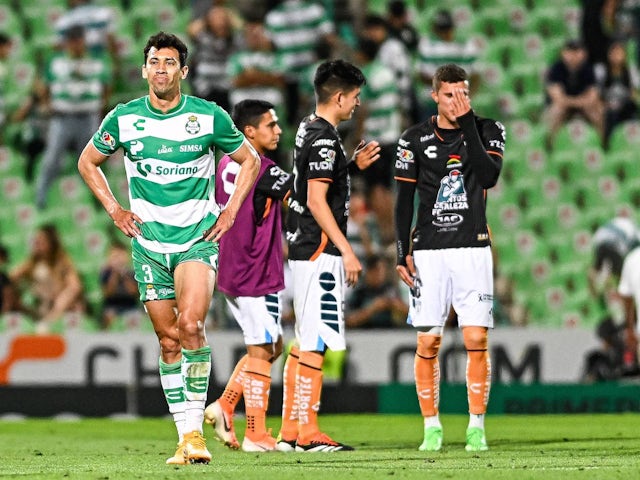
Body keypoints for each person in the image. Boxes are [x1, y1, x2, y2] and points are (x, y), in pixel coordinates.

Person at [77, 32, 261, 465]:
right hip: (147, 246)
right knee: (168, 340)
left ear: (184, 70)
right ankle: (187, 436)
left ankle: (194, 434)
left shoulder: (208, 116)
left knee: (192, 325)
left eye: (169, 62)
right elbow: (87, 162)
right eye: (154, 62)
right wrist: (114, 209)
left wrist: (231, 211)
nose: (161, 69)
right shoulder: (123, 119)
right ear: (144, 70)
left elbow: (249, 159)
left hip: (196, 239)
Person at [394, 64, 505, 452]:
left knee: (475, 338)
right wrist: (400, 252)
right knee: (428, 342)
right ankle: (432, 427)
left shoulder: (489, 130)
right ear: (434, 96)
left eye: (463, 93)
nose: (457, 100)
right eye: (449, 95)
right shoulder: (412, 139)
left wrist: (468, 122)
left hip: (472, 248)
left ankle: (476, 425)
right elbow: (403, 200)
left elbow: (488, 177)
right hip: (428, 252)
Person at [279, 59, 381, 452]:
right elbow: (318, 201)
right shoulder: (323, 139)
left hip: (305, 244)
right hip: (319, 247)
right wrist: (347, 249)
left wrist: (349, 165)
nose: (356, 104)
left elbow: (306, 183)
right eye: (354, 97)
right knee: (316, 339)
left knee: (306, 337)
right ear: (339, 97)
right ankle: (308, 432)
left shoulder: (309, 127)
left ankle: (290, 431)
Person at [202, 99, 292, 453]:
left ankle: (225, 405)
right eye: (271, 124)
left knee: (272, 346)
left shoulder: (225, 162)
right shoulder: (262, 169)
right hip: (254, 269)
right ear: (249, 132)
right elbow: (305, 194)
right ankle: (255, 432)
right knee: (261, 349)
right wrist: (348, 167)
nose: (278, 130)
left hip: (233, 266)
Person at [35, 25, 112, 209]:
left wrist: (102, 106)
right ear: (67, 43)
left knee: (92, 161)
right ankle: (40, 199)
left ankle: (99, 202)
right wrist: (46, 102)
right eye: (72, 41)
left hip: (88, 118)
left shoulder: (97, 61)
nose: (76, 44)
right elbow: (42, 84)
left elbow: (106, 85)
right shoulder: (56, 62)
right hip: (62, 118)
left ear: (83, 41)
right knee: (52, 159)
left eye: (78, 40)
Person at [10, 224, 86, 333]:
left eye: (41, 240)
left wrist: (59, 300)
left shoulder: (62, 262)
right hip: (39, 305)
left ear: (51, 243)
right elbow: (11, 277)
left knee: (66, 296)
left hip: (58, 307)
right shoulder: (32, 263)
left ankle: (49, 323)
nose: (37, 244)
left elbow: (75, 286)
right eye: (36, 241)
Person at [543, 39, 605, 150]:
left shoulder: (589, 69)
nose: (574, 55)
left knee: (598, 110)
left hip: (581, 106)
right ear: (563, 53)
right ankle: (550, 147)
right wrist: (579, 101)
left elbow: (593, 97)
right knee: (556, 110)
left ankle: (602, 145)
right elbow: (557, 98)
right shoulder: (556, 69)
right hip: (565, 106)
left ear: (584, 54)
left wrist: (573, 102)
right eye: (570, 51)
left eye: (577, 51)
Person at [187, 5, 239, 112]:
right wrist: (207, 18)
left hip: (227, 84)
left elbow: (241, 26)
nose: (219, 21)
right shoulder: (203, 38)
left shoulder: (235, 39)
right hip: (206, 86)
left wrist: (227, 15)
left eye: (221, 18)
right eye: (215, 18)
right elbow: (191, 30)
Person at [346, 253, 408, 329]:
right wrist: (373, 308)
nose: (380, 274)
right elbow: (349, 321)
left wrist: (396, 305)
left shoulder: (390, 289)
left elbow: (411, 315)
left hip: (391, 335)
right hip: (364, 335)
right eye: (377, 270)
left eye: (383, 270)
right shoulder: (360, 292)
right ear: (369, 272)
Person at [598, 40, 639, 148]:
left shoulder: (631, 70)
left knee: (632, 109)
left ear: (624, 55)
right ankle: (608, 144)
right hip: (608, 105)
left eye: (619, 53)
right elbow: (597, 94)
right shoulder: (601, 70)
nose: (617, 56)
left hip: (625, 104)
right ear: (609, 55)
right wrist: (606, 104)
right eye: (614, 53)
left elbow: (634, 93)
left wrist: (624, 102)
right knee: (610, 114)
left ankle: (634, 143)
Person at [98, 239, 140, 329]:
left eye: (120, 256)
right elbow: (108, 293)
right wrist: (115, 274)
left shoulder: (132, 272)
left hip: (130, 306)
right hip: (112, 305)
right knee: (108, 316)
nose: (118, 259)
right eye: (115, 256)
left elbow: (134, 292)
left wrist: (124, 275)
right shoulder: (106, 272)